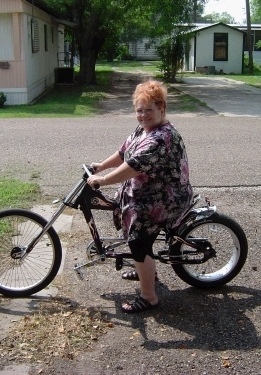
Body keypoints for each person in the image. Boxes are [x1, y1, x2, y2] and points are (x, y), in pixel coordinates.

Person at [87, 79, 193, 314]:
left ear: (161, 108)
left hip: (165, 198)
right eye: (139, 110)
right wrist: (100, 166)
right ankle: (146, 269)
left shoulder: (160, 138)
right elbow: (124, 152)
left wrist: (102, 181)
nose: (143, 115)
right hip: (149, 192)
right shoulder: (144, 129)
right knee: (136, 232)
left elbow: (132, 166)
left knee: (138, 239)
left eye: (149, 110)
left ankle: (149, 296)